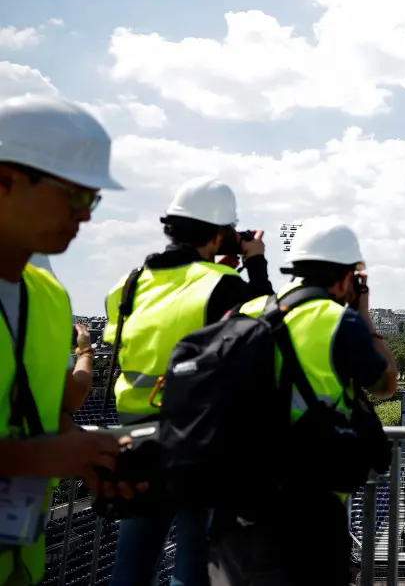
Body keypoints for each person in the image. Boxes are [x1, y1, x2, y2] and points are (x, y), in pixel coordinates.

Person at [208, 217, 398, 586]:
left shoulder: (245, 313)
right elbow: (387, 384)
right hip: (311, 499)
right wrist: (363, 311)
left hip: (241, 495)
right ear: (347, 277)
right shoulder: (338, 321)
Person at [104, 176, 274, 586]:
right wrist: (255, 264)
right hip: (197, 439)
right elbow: (268, 325)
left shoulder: (127, 286)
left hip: (134, 438)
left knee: (131, 566)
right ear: (220, 234)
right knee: (194, 566)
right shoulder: (221, 286)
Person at [0, 94, 133, 586]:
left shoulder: (49, 298)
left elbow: (45, 411)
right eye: (73, 195)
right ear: (6, 179)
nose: (87, 215)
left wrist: (91, 455)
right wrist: (52, 457)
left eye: (91, 198)